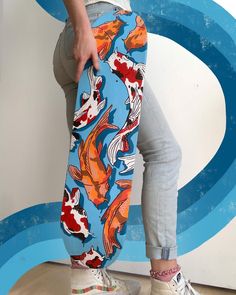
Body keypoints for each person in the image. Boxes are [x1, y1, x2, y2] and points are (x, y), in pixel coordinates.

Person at [52, 0, 201, 294]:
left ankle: (89, 279)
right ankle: (166, 277)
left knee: (92, 166)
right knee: (164, 152)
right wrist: (84, 26)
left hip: (73, 40)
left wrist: (81, 26)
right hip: (101, 32)